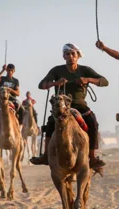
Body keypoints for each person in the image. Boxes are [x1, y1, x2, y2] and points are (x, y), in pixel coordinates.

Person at [30, 43, 109, 171]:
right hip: (61, 106)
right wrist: (56, 83)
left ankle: (92, 157)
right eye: (68, 54)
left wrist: (87, 79)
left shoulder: (85, 70)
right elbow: (42, 85)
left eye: (73, 54)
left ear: (78, 56)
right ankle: (45, 155)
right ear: (64, 56)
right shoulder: (56, 70)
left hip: (80, 106)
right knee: (50, 124)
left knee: (93, 123)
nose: (71, 56)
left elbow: (104, 81)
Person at [0, 64, 24, 138]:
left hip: (12, 100)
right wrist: (2, 70)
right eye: (8, 70)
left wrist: (11, 90)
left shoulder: (15, 81)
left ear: (14, 71)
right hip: (2, 100)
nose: (10, 72)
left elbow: (18, 93)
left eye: (11, 71)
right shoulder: (2, 78)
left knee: (22, 110)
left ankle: (20, 130)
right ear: (6, 70)